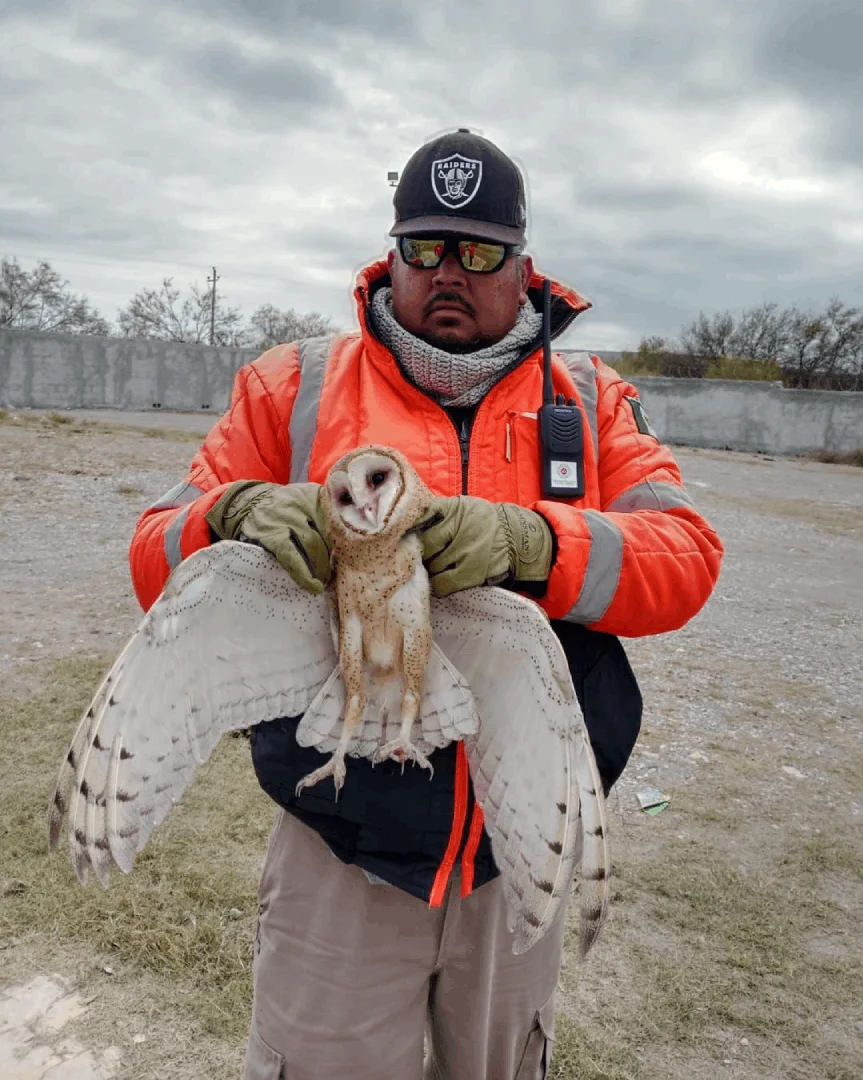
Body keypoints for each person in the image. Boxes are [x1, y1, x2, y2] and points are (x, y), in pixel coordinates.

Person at [129, 128, 724, 1080]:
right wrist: (226, 516)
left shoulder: (592, 399)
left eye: (480, 250)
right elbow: (154, 550)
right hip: (341, 849)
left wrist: (538, 543)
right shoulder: (292, 388)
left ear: (524, 263)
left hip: (519, 839)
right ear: (392, 251)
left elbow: (687, 556)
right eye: (424, 246)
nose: (449, 270)